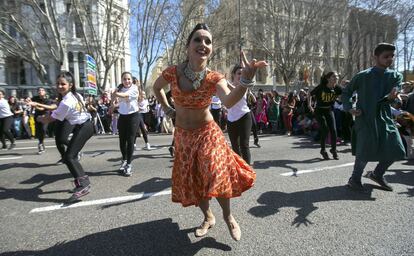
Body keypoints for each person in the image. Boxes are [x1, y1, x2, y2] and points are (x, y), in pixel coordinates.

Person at [152, 23, 266, 241]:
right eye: (198, 39)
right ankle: (208, 217)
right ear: (188, 46)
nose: (203, 44)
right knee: (195, 180)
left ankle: (228, 216)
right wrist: (167, 109)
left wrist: (245, 80)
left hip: (207, 132)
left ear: (211, 49)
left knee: (214, 171)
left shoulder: (214, 77)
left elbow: (230, 101)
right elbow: (156, 88)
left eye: (208, 41)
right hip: (183, 135)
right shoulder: (172, 73)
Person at [342, 43, 406, 192]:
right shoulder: (363, 75)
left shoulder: (396, 76)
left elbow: (394, 96)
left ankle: (377, 174)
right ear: (375, 57)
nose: (389, 59)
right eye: (386, 56)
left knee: (397, 149)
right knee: (364, 151)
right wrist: (350, 108)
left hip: (385, 118)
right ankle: (355, 180)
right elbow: (347, 92)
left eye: (392, 56)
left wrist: (394, 98)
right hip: (365, 118)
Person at [35, 72, 94, 202]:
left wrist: (40, 118)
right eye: (58, 84)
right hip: (83, 126)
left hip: (85, 127)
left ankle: (84, 184)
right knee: (69, 157)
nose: (60, 86)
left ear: (70, 85)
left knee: (69, 157)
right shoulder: (74, 95)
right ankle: (81, 182)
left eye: (63, 84)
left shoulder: (67, 101)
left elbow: (50, 118)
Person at [308, 72, 342, 160]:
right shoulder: (321, 87)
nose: (336, 78)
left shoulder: (337, 88)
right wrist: (309, 105)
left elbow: (345, 94)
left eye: (337, 76)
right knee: (325, 129)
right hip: (319, 110)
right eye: (334, 76)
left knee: (334, 130)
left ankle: (333, 150)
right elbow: (309, 94)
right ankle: (323, 150)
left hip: (329, 110)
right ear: (328, 79)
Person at [112, 72, 140, 177]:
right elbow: (115, 100)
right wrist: (113, 104)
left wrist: (115, 93)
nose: (127, 81)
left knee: (130, 140)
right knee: (122, 141)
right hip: (122, 116)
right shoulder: (119, 89)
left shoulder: (134, 89)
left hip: (133, 116)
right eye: (124, 79)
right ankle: (124, 160)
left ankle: (129, 164)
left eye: (128, 79)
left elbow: (125, 96)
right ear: (122, 80)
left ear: (131, 80)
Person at [226, 63, 254, 165]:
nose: (240, 76)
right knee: (234, 146)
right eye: (238, 73)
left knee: (244, 144)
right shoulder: (226, 84)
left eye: (242, 74)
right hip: (231, 118)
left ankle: (247, 171)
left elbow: (236, 93)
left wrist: (226, 84)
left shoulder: (243, 85)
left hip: (244, 117)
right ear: (233, 74)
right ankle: (238, 169)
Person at [31, 87, 55, 154]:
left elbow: (42, 109)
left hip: (45, 116)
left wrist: (35, 106)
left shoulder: (47, 99)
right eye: (39, 90)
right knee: (39, 131)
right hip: (37, 116)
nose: (40, 91)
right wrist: (28, 101)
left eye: (42, 90)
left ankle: (41, 143)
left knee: (43, 129)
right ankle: (41, 143)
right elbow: (29, 102)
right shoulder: (35, 98)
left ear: (45, 92)